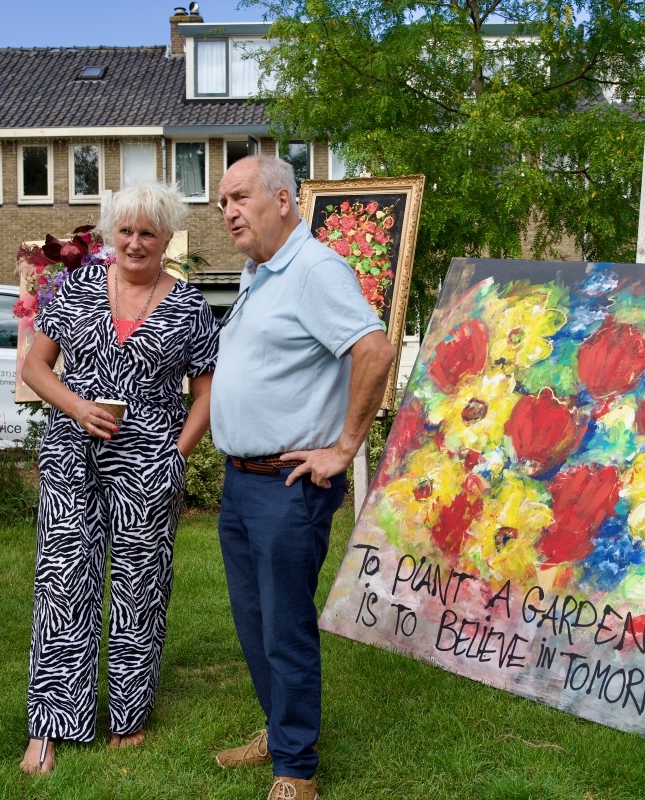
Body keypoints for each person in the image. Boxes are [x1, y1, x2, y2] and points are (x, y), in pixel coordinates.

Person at [209, 155, 396, 800]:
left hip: (286, 487)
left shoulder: (314, 269)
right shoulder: (258, 275)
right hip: (242, 481)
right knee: (254, 621)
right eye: (222, 203)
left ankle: (295, 771)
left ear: (283, 200)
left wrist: (344, 448)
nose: (228, 211)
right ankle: (279, 729)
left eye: (239, 197)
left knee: (284, 625)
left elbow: (374, 350)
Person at [19, 182, 220, 774]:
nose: (135, 242)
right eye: (126, 230)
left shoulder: (190, 307)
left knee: (140, 585)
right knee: (63, 581)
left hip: (150, 462)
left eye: (147, 232)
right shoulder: (75, 288)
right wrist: (77, 407)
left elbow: (208, 393)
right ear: (112, 233)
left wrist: (176, 454)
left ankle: (129, 715)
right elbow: (35, 366)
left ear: (166, 238)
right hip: (71, 455)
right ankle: (49, 725)